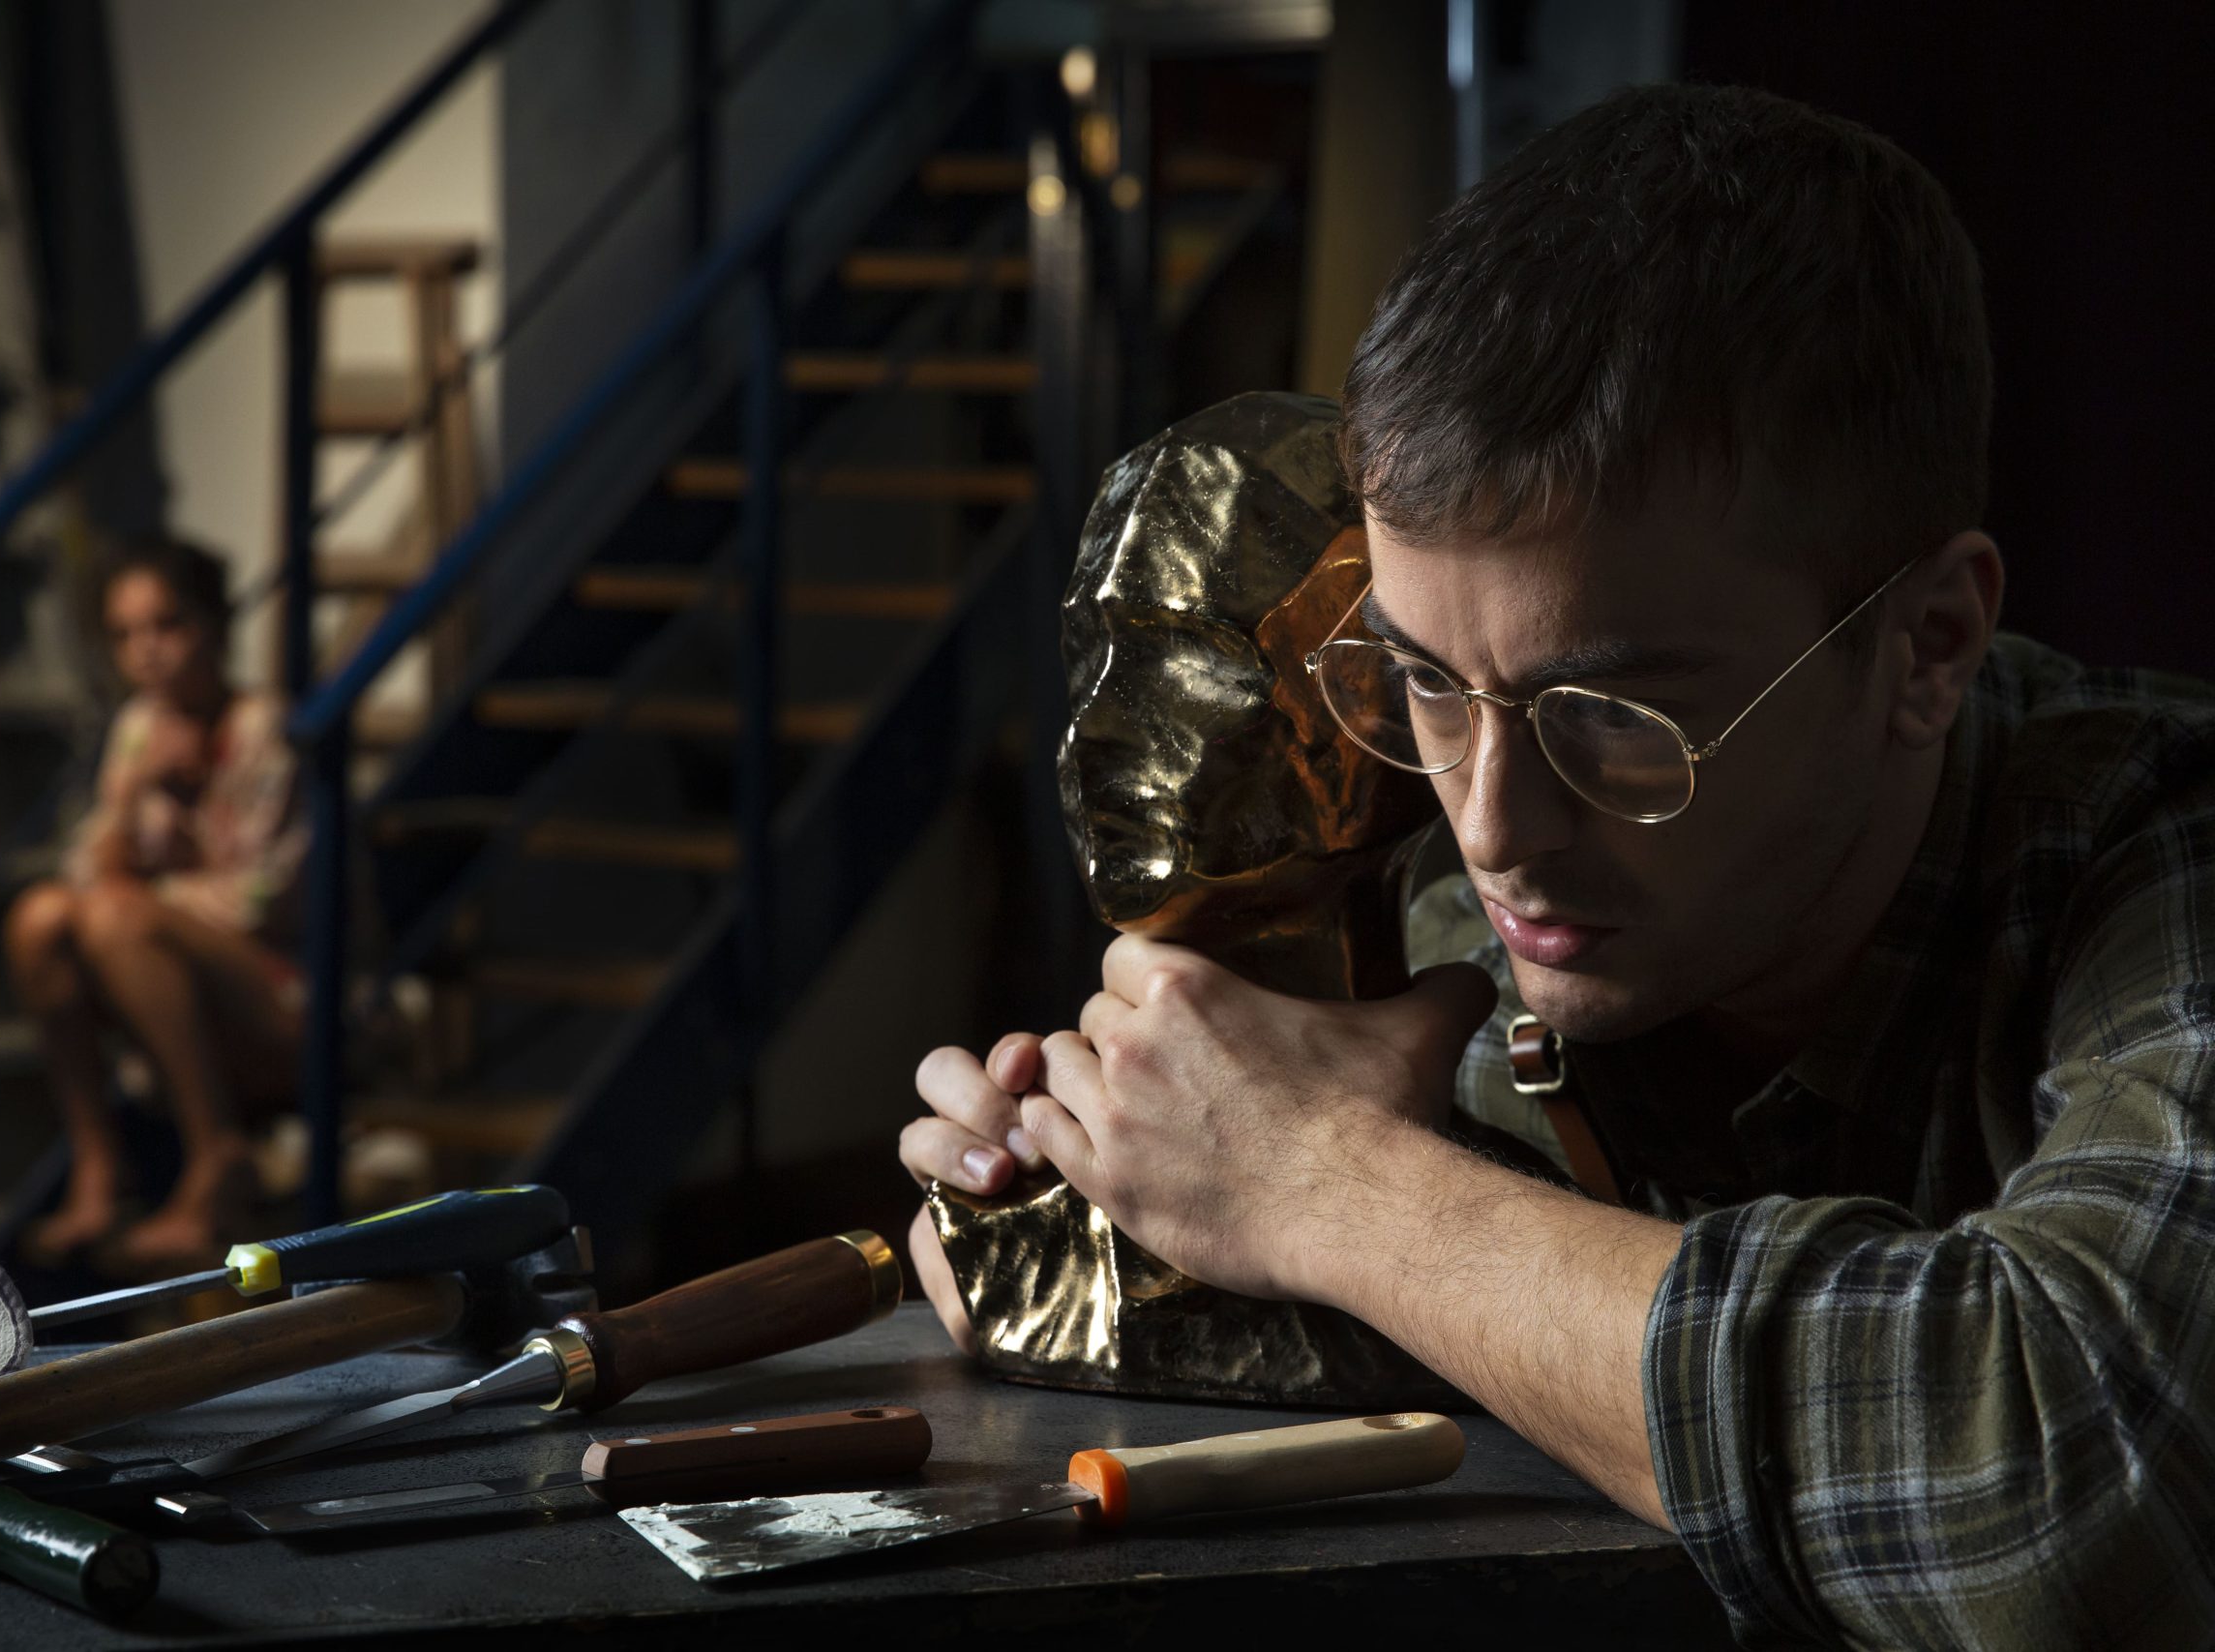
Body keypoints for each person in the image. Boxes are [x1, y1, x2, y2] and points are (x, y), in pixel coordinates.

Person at [903, 83, 2215, 1647]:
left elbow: (2069, 1489)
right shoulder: (1449, 911)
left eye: (1613, 714)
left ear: (1926, 645)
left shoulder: (2169, 850)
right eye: (1426, 680)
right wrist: (1106, 1176)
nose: (1493, 824)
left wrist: (1328, 1182)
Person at [4, 538, 307, 1271]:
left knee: (114, 913)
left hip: (281, 990)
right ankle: (98, 1161)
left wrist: (142, 895)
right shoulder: (139, 727)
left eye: (167, 625)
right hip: (164, 973)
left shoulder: (270, 730)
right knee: (39, 917)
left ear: (213, 625)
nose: (147, 652)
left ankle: (215, 1152)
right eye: (125, 634)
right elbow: (86, 871)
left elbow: (264, 895)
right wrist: (135, 790)